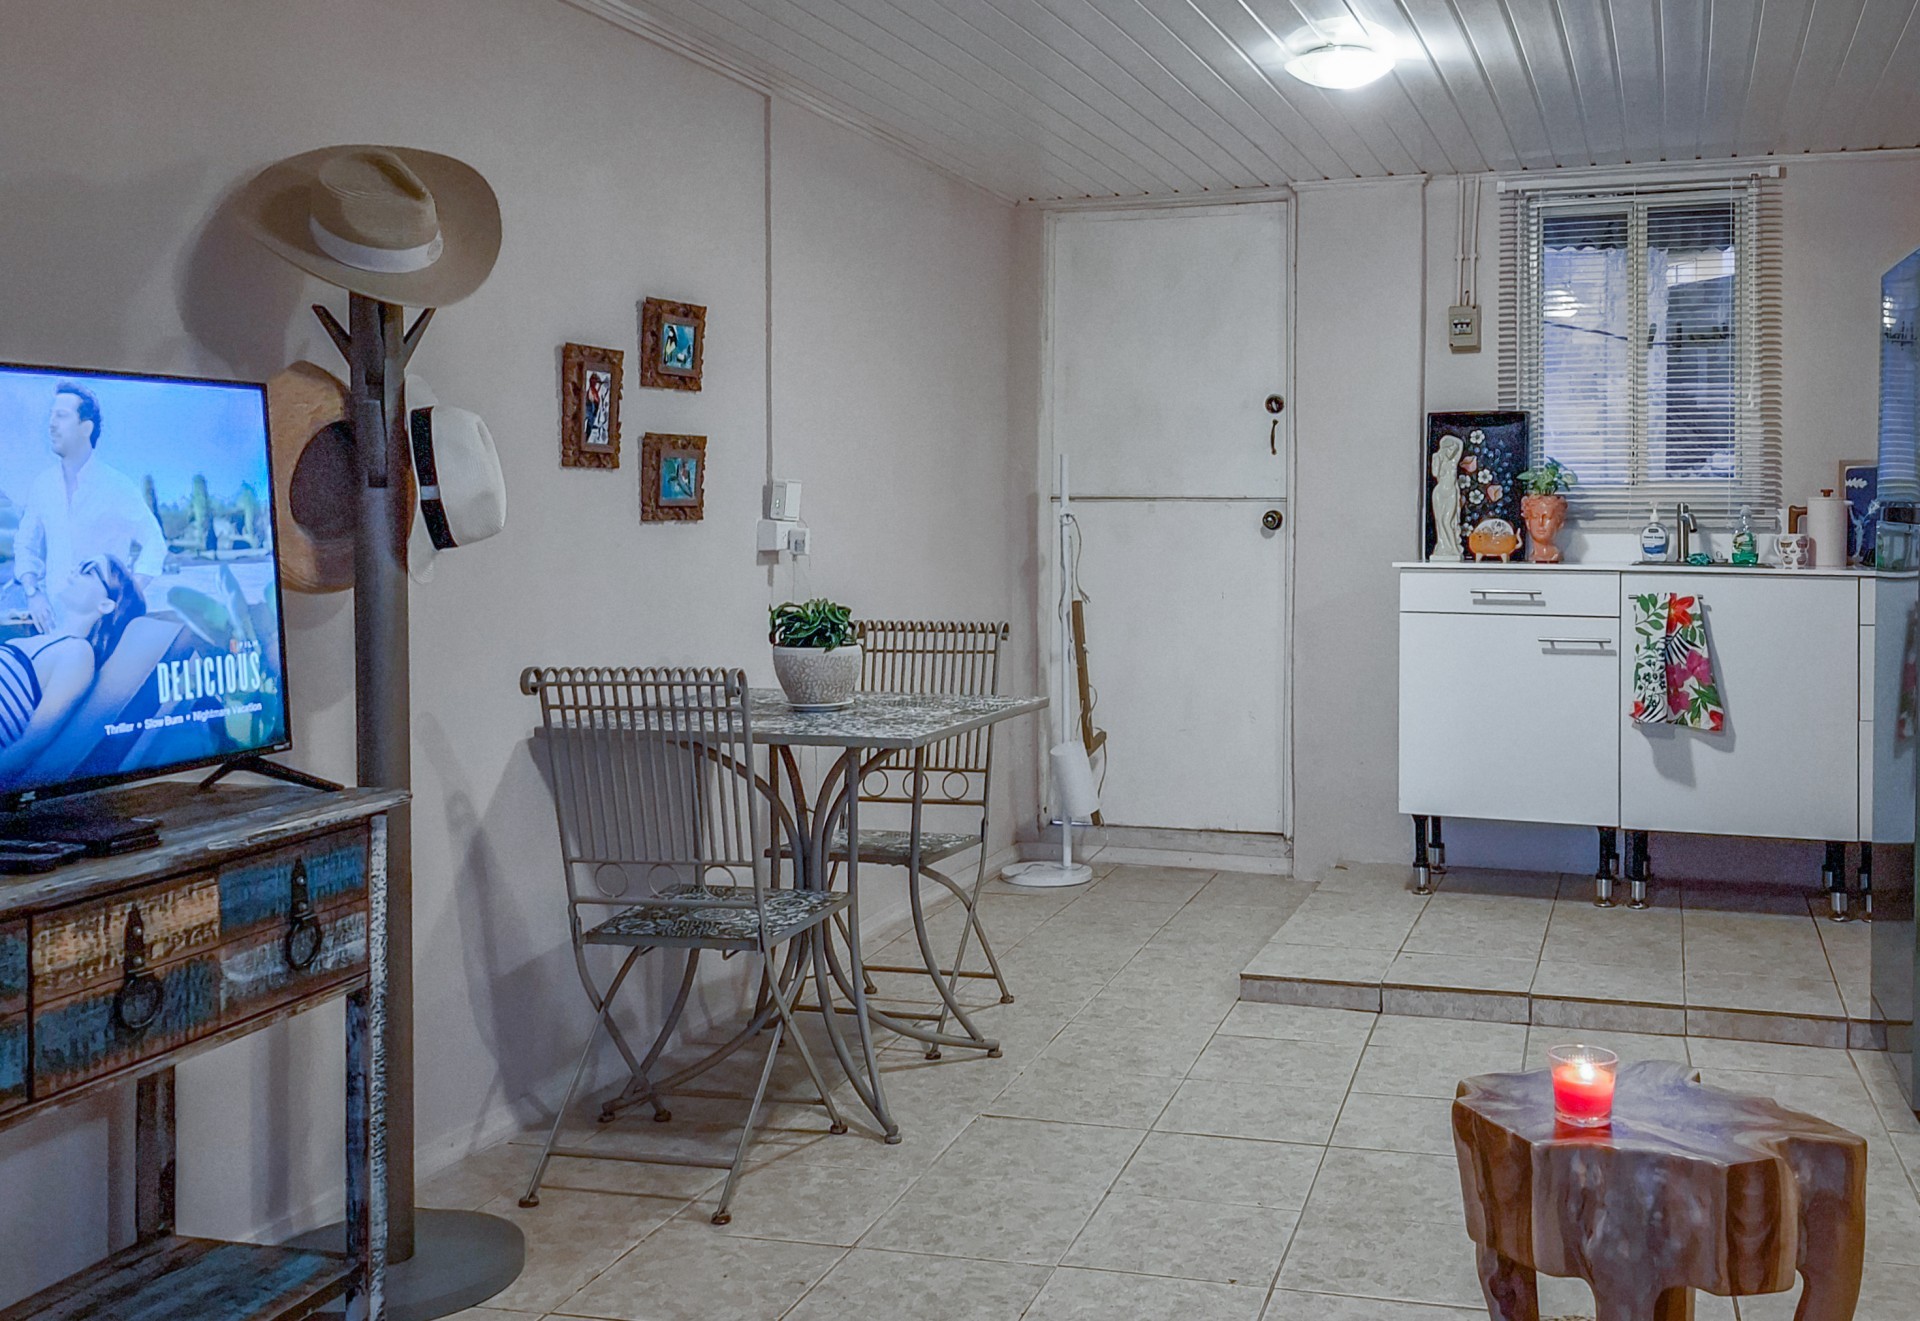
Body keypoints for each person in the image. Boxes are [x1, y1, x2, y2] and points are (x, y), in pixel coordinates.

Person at [15, 382, 168, 630]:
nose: (51, 424)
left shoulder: (117, 486)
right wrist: (33, 593)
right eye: (51, 415)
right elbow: (25, 545)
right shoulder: (42, 485)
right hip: (53, 627)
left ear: (86, 428)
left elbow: (154, 542)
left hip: (105, 630)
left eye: (61, 416)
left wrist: (127, 597)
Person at [0, 556, 145, 781]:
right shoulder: (49, 641)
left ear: (105, 605)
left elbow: (31, 744)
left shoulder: (78, 653)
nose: (74, 572)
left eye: (88, 570)